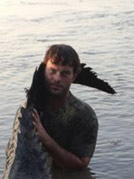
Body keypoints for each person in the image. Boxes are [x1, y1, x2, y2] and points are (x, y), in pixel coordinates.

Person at [31, 44, 98, 172]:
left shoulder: (84, 115)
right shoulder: (31, 109)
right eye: (52, 71)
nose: (57, 79)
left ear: (74, 76)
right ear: (44, 70)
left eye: (65, 73)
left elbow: (80, 166)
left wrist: (45, 139)